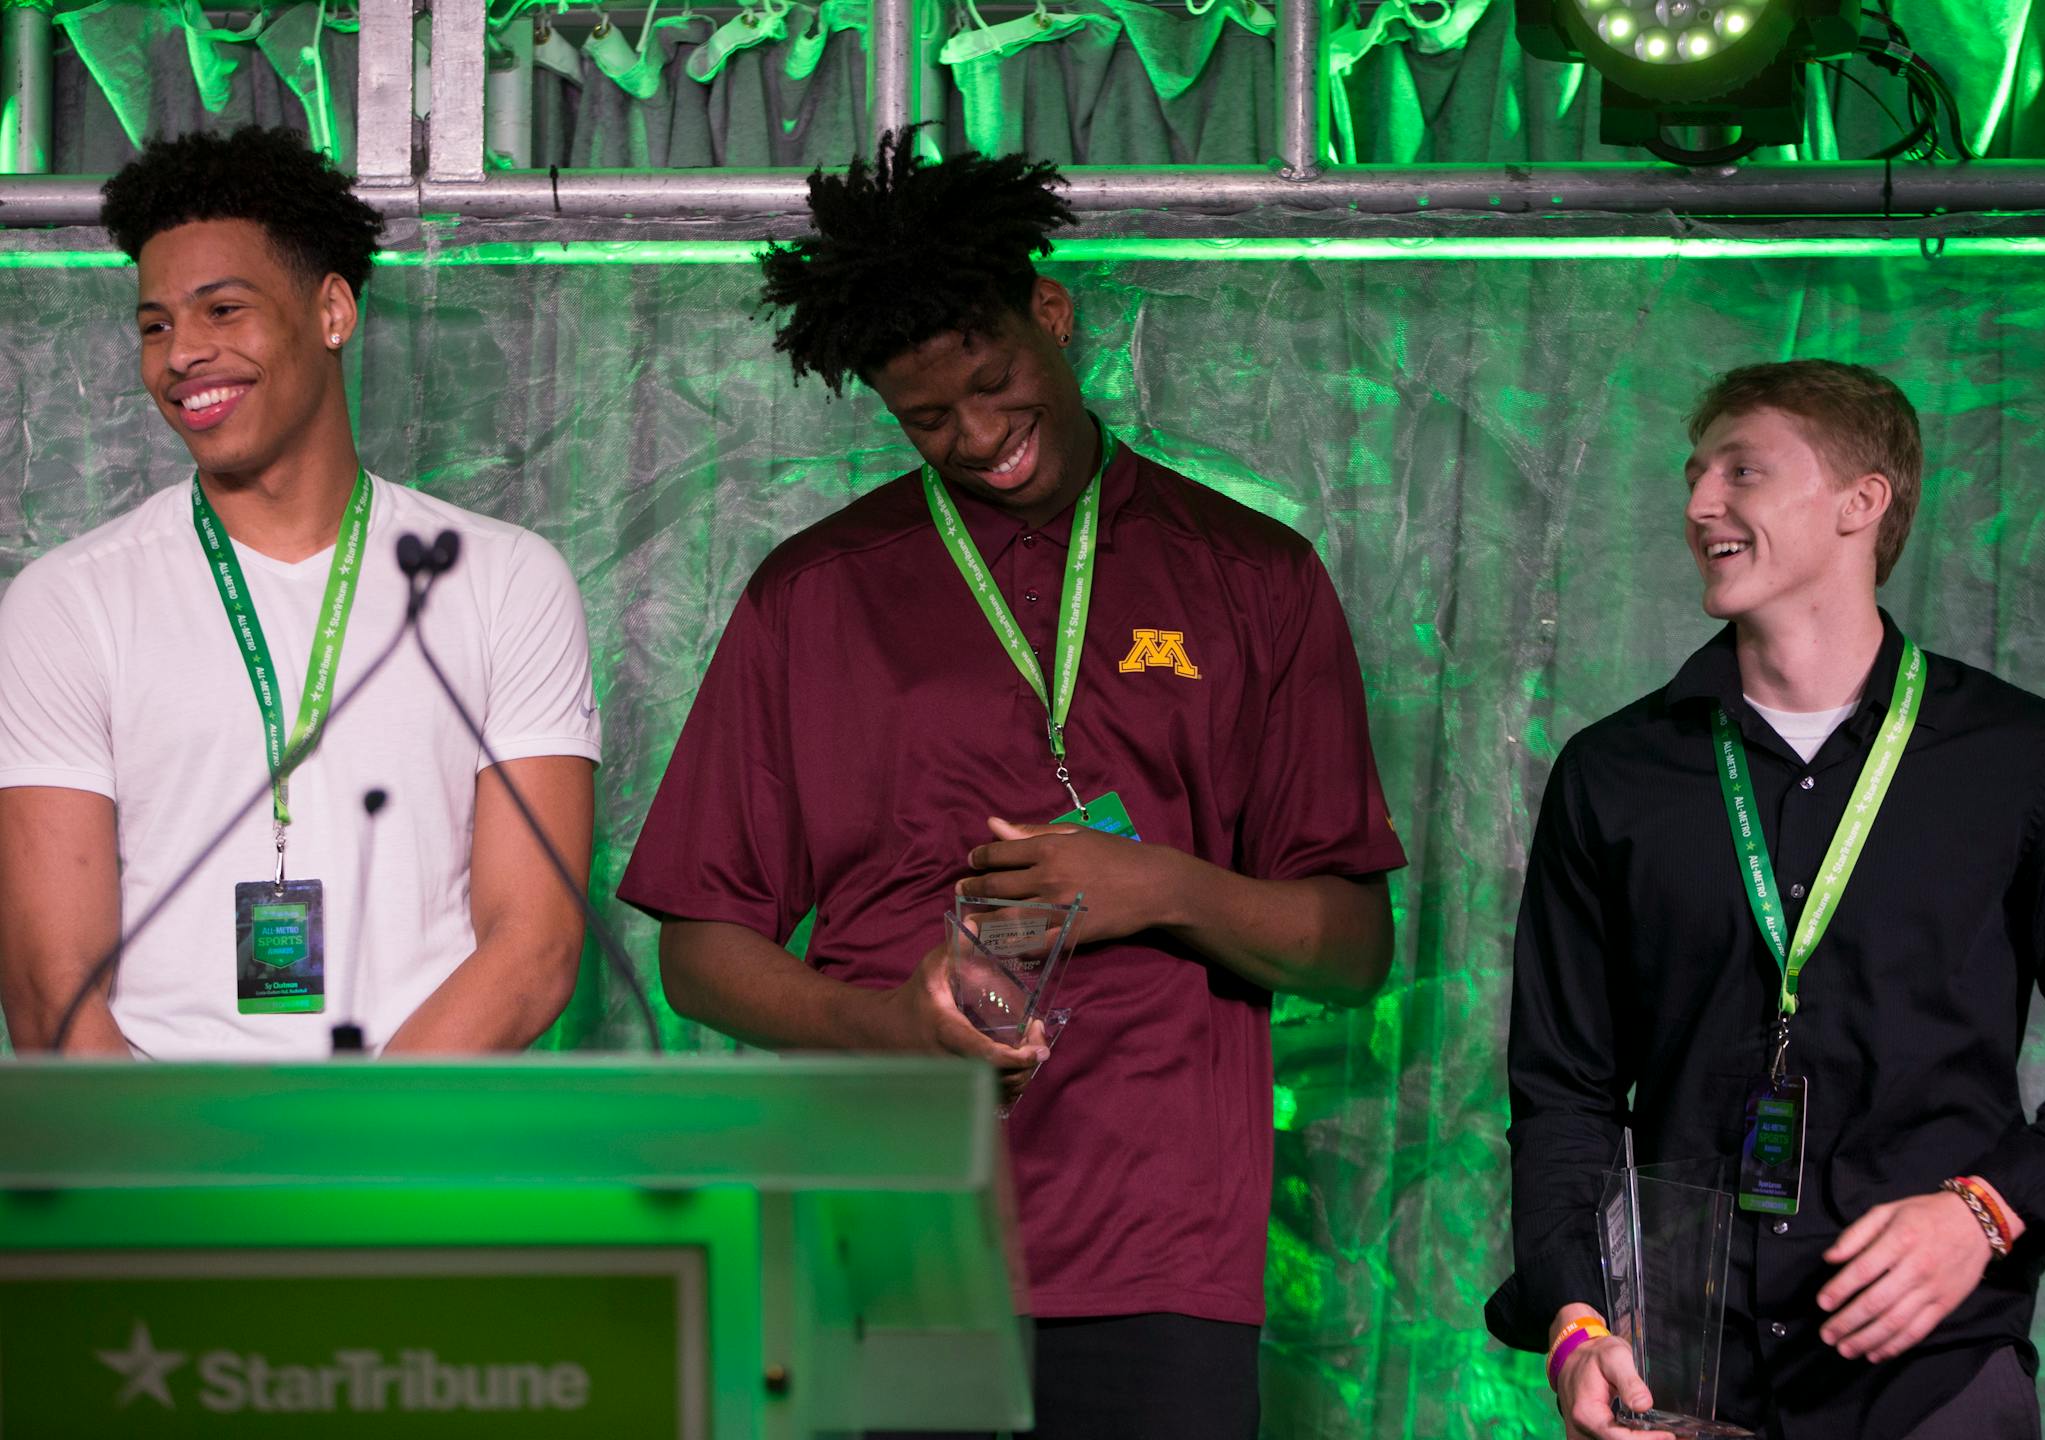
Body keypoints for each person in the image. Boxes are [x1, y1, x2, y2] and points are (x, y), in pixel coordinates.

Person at [618, 132, 1405, 1438]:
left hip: (1163, 1241)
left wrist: (1157, 885)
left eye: (996, 385)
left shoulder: (1254, 572)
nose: (979, 438)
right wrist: (895, 1032)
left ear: (1052, 311)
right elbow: (699, 954)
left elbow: (1352, 950)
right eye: (928, 417)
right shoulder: (811, 596)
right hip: (895, 1228)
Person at [1487, 358, 2045, 1439]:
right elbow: (1563, 1094)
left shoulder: (2025, 760)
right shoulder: (1612, 776)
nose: (1701, 502)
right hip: (1682, 1387)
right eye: (1694, 475)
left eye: (1742, 471)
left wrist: (1984, 1212)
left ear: (1864, 501)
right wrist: (1575, 1319)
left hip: (1935, 1382)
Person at [0, 127, 600, 1058]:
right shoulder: (66, 602)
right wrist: (185, 1192)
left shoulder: (504, 579)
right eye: (154, 324)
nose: (181, 355)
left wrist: (341, 1165)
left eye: (223, 311)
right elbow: (52, 991)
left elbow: (536, 948)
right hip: (165, 1170)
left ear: (332, 311)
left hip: (408, 1155)